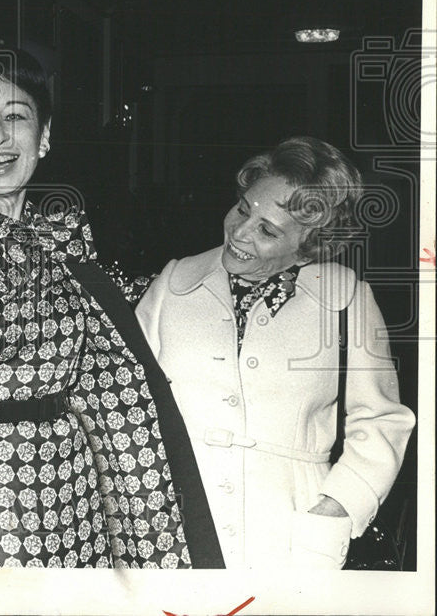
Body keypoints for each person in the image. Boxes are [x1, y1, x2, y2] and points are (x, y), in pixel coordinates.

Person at [0, 52, 224, 568]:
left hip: (75, 493)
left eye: (14, 116)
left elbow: (110, 341)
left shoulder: (67, 233)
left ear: (44, 135)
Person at [135, 137, 415, 568]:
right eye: (243, 210)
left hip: (289, 533)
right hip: (171, 523)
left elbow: (381, 420)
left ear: (310, 242)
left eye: (268, 230)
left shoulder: (346, 300)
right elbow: (122, 401)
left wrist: (339, 504)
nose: (240, 232)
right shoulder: (172, 284)